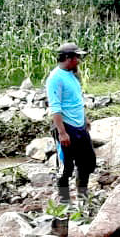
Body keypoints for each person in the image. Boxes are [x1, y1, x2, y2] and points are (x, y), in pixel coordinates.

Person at [46, 42, 97, 206]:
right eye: (77, 57)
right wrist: (62, 132)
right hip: (66, 127)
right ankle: (64, 200)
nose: (79, 60)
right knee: (65, 166)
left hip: (79, 126)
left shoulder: (72, 75)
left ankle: (83, 195)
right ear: (68, 58)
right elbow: (55, 107)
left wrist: (85, 118)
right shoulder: (55, 78)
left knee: (87, 162)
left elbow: (76, 100)